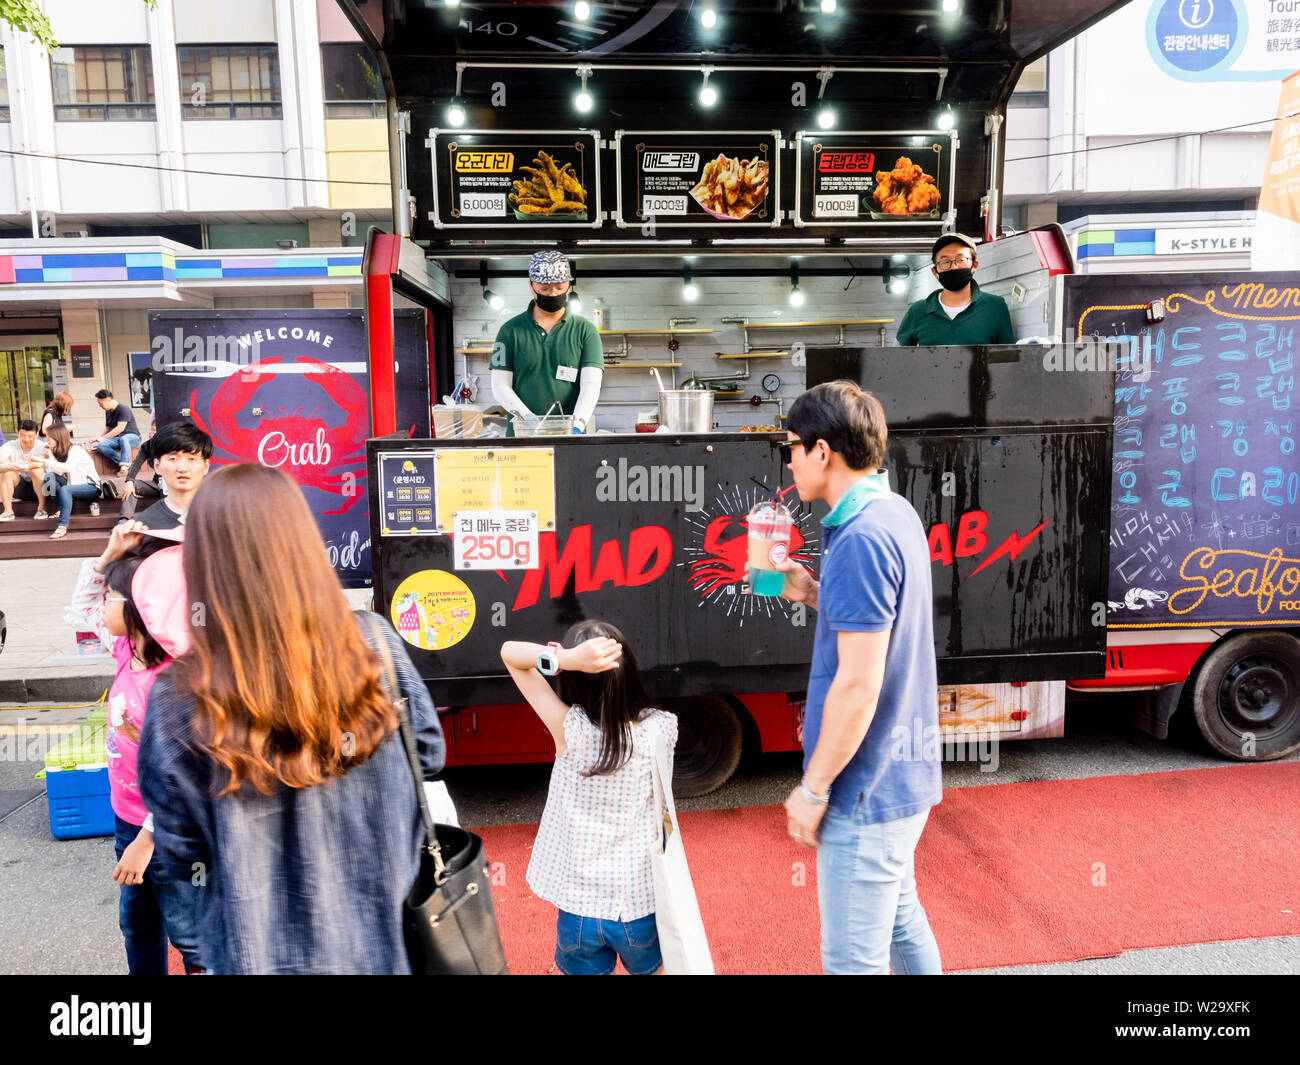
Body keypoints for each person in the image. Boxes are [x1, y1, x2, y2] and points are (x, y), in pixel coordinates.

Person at [138, 463, 446, 974]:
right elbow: (429, 754)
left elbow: (179, 849)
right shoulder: (374, 642)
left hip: (256, 953)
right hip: (389, 946)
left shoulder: (179, 693)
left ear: (205, 559)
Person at [772, 381, 943, 975]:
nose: (788, 459)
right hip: (900, 775)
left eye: (790, 446)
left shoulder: (862, 537)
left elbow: (858, 684)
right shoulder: (891, 512)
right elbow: (880, 628)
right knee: (901, 921)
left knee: (853, 961)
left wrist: (814, 789)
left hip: (864, 785)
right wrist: (812, 591)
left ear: (822, 452)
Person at [65, 523, 205, 974]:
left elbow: (186, 772)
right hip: (128, 819)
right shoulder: (129, 650)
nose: (103, 601)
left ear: (143, 609)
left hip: (166, 831)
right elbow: (81, 613)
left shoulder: (175, 681)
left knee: (189, 935)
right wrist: (109, 556)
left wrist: (147, 841)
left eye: (113, 595)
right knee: (139, 927)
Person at [501, 620, 677, 976]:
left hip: (579, 908)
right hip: (638, 903)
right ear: (629, 673)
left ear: (573, 679)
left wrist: (565, 658)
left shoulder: (570, 730)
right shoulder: (662, 729)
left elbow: (510, 654)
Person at [490, 250, 604, 436]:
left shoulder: (586, 331)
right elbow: (499, 385)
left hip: (569, 438)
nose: (552, 293)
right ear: (531, 285)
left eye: (559, 287)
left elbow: (591, 384)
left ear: (569, 285)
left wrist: (577, 426)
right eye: (544, 288)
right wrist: (529, 420)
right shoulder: (509, 331)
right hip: (522, 437)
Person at [895, 233, 1015, 346]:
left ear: (974, 266)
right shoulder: (917, 311)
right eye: (945, 261)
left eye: (961, 260)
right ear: (935, 271)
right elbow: (895, 359)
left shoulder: (996, 307)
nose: (954, 266)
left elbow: (1008, 358)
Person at [134, 421, 212, 530]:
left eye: (192, 459)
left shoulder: (227, 517)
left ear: (205, 466)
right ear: (157, 466)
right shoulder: (143, 526)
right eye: (173, 459)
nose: (182, 468)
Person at [36, 424, 102, 539]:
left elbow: (67, 467)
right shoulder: (60, 451)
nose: (46, 440)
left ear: (57, 437)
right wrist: (51, 454)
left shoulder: (76, 450)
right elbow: (56, 472)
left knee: (65, 489)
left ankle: (62, 526)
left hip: (91, 487)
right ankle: (61, 509)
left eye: (48, 437)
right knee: (49, 477)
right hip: (73, 486)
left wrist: (44, 461)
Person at [0, 420, 54, 521]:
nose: (26, 439)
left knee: (36, 470)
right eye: (22, 435)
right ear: (17, 433)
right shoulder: (10, 446)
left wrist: (29, 466)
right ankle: (8, 512)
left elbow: (52, 464)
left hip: (42, 488)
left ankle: (42, 509)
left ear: (37, 434)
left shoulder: (43, 446)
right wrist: (13, 467)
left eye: (30, 436)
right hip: (19, 489)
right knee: (6, 472)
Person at [86, 389, 141, 474]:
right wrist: (98, 438)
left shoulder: (123, 408)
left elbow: (120, 428)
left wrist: (103, 437)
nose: (100, 406)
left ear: (108, 400)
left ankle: (124, 466)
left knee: (124, 438)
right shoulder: (108, 412)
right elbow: (108, 428)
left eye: (101, 403)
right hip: (118, 438)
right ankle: (124, 464)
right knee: (101, 445)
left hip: (133, 437)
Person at [119, 422, 165, 523]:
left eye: (154, 431)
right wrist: (129, 481)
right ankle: (123, 520)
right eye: (151, 430)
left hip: (171, 487)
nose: (151, 433)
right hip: (157, 484)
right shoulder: (147, 446)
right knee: (132, 486)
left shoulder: (170, 445)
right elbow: (136, 464)